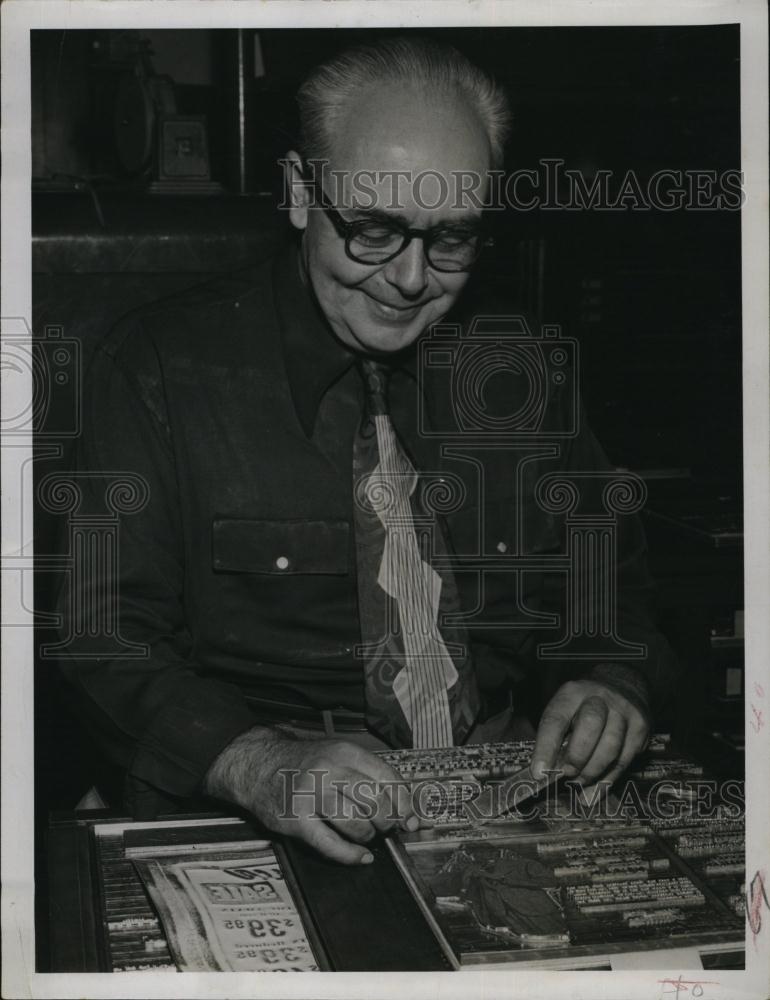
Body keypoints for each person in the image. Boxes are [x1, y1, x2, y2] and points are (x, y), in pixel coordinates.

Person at [56, 36, 678, 865]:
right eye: (376, 231)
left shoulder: (519, 369)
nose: (413, 279)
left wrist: (611, 681)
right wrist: (258, 762)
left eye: (452, 238)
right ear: (298, 192)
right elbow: (105, 637)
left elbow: (609, 589)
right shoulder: (157, 368)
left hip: (502, 797)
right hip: (257, 812)